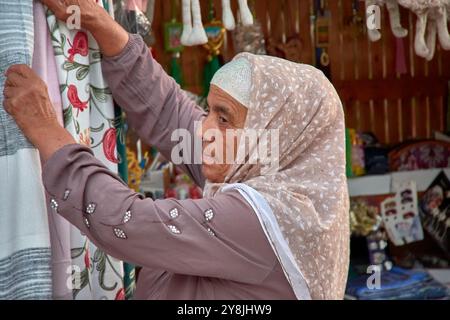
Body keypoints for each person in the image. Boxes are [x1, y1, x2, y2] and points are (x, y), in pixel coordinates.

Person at [2, 0, 350, 299]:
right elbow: (171, 113)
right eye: (210, 112)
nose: (205, 132)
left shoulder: (265, 220)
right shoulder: (266, 168)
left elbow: (128, 223)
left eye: (224, 119)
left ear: (275, 132)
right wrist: (100, 23)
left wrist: (47, 129)